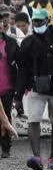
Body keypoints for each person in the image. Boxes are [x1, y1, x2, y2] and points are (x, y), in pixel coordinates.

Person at [14, 8, 53, 170]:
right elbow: (22, 69)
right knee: (33, 120)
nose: (36, 24)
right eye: (34, 21)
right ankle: (37, 157)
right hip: (36, 89)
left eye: (40, 21)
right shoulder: (28, 42)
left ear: (48, 21)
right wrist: (18, 96)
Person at [0, 25, 19, 158]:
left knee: (5, 116)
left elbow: (20, 63)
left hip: (6, 86)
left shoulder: (11, 42)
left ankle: (6, 147)